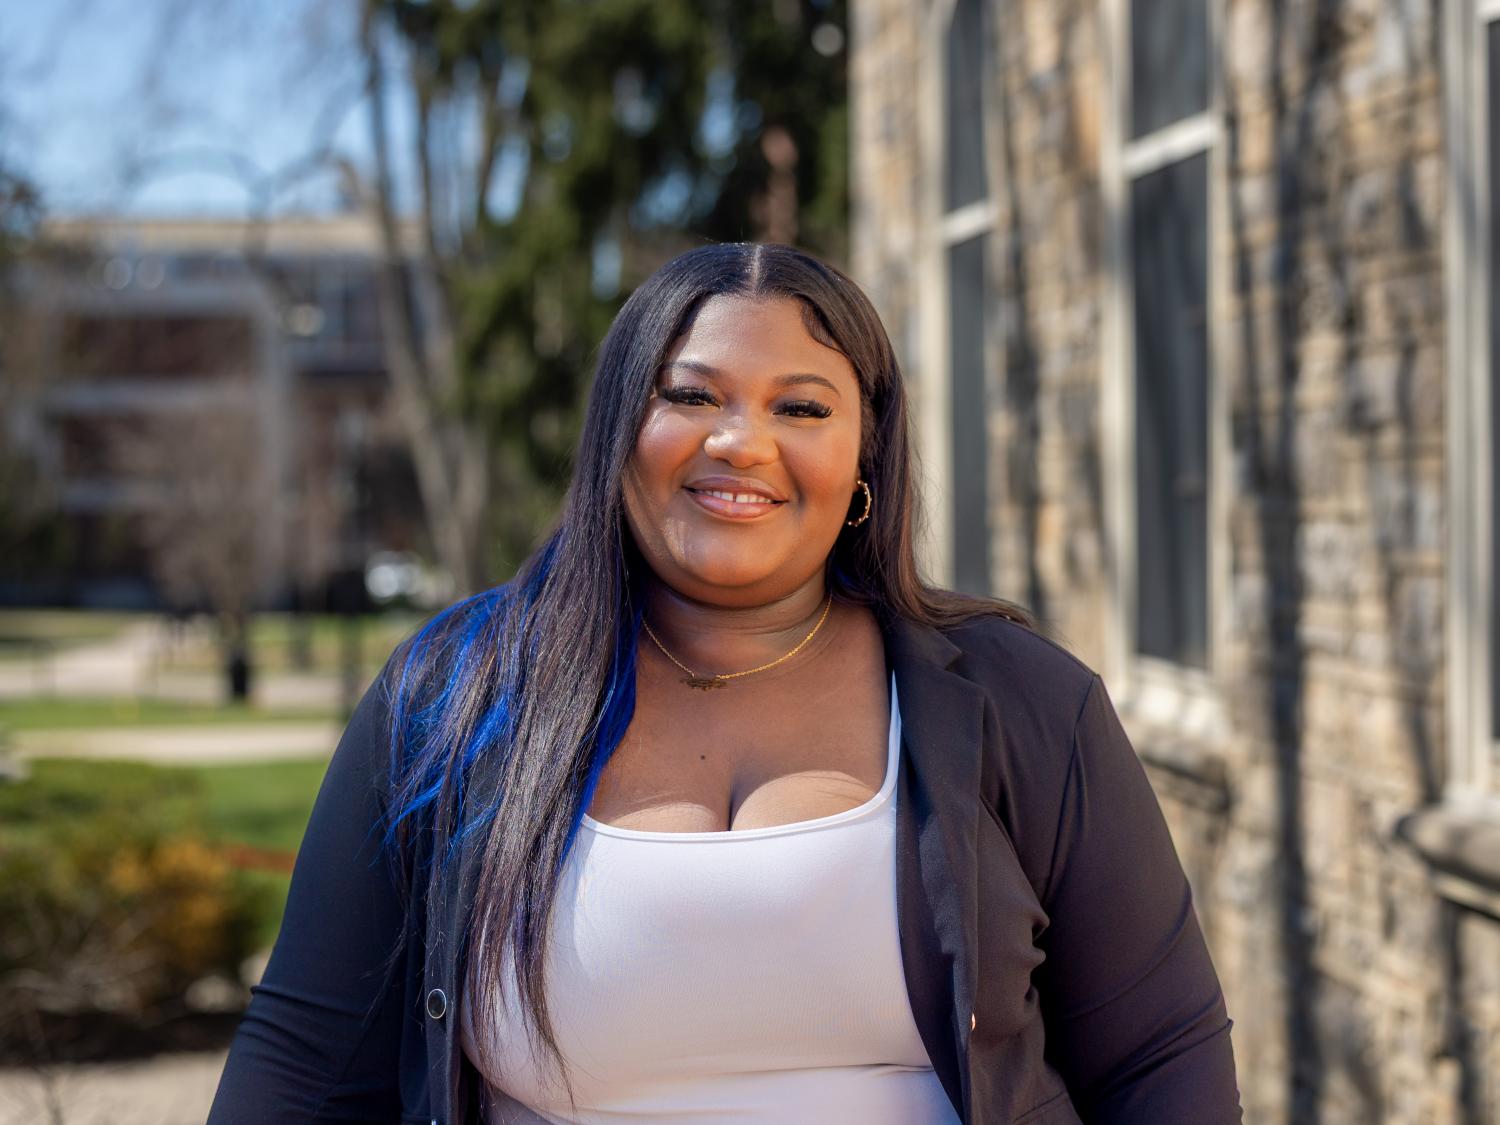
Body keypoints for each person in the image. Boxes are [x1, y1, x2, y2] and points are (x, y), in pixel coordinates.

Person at [207, 242, 1241, 1124]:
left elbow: (1160, 1059)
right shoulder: (451, 699)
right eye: (691, 394)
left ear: (864, 454)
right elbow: (303, 1064)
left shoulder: (1027, 704)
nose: (741, 442)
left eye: (801, 405)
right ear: (620, 431)